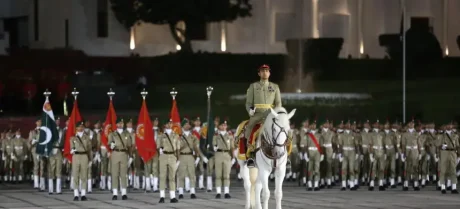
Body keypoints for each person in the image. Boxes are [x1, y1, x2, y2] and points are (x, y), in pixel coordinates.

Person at [244, 64, 282, 168]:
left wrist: (276, 112)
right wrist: (250, 111)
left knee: (282, 131)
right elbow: (248, 103)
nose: (265, 72)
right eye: (262, 70)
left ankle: (284, 156)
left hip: (270, 115)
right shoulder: (253, 86)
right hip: (257, 115)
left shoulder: (275, 87)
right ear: (259, 73)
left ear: (269, 73)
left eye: (267, 70)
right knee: (249, 128)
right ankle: (250, 154)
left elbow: (278, 103)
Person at [108, 118, 133, 200]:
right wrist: (111, 145)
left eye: (122, 123)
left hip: (124, 154)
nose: (120, 124)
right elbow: (109, 143)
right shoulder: (112, 134)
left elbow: (129, 146)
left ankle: (124, 193)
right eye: (119, 123)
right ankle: (115, 193)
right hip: (115, 153)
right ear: (116, 124)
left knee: (123, 174)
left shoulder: (127, 134)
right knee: (115, 174)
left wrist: (131, 156)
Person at [158, 119, 181, 203]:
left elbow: (178, 148)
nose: (170, 124)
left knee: (172, 177)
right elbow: (158, 146)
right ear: (165, 125)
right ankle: (162, 196)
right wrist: (160, 152)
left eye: (171, 123)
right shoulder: (161, 135)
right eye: (168, 123)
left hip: (172, 156)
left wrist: (178, 159)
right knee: (162, 176)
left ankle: (172, 196)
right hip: (163, 156)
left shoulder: (176, 135)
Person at [70, 121, 92, 201]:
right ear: (76, 128)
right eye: (79, 126)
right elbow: (71, 148)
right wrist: (72, 150)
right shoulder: (73, 138)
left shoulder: (87, 137)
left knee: (84, 175)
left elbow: (90, 149)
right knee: (75, 175)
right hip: (76, 156)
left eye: (82, 126)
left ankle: (83, 194)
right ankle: (76, 194)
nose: (81, 128)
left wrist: (90, 159)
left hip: (84, 156)